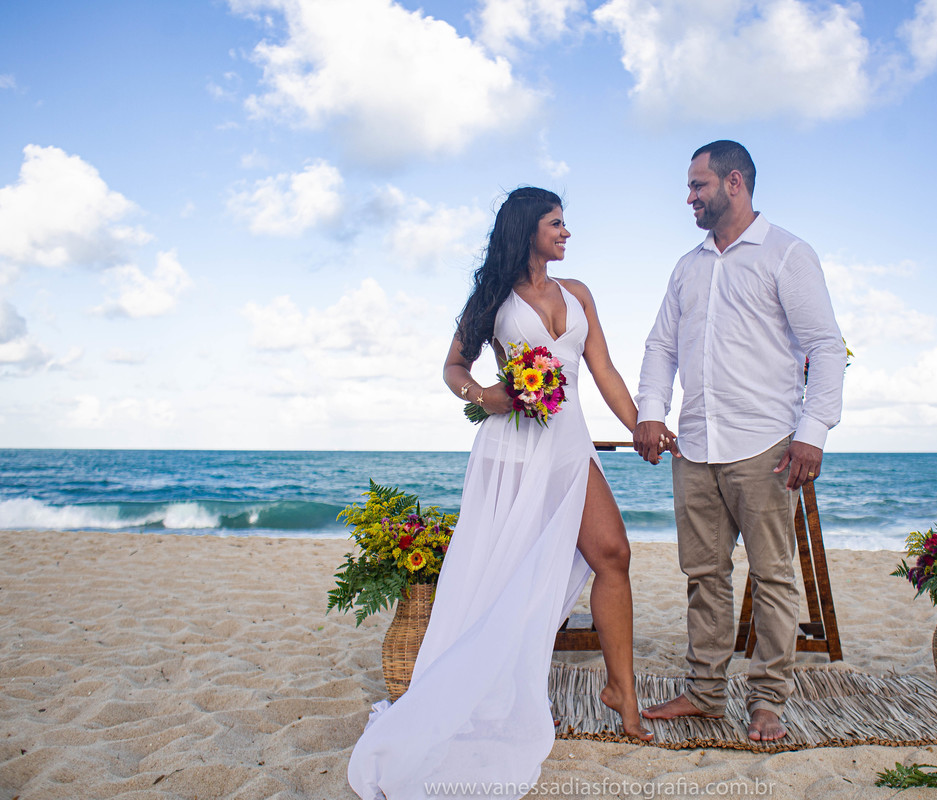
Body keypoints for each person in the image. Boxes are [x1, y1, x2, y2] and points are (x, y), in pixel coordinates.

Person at [347, 187, 652, 800]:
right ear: (526, 229)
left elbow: (604, 371)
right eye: (556, 223)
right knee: (504, 571)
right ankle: (489, 694)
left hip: (569, 445)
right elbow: (452, 369)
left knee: (612, 553)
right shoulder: (492, 296)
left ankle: (622, 690)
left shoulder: (580, 294)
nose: (566, 233)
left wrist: (641, 423)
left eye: (566, 223)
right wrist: (485, 395)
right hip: (511, 447)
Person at [634, 141, 844, 743]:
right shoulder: (687, 266)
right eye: (689, 187)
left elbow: (825, 347)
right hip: (694, 446)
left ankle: (767, 701)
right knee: (704, 575)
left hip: (765, 445)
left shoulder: (787, 254)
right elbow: (661, 347)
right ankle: (704, 693)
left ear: (734, 182)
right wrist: (652, 411)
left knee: (774, 577)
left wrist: (812, 431)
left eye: (698, 185)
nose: (690, 198)